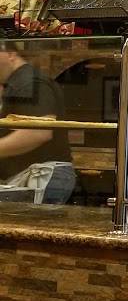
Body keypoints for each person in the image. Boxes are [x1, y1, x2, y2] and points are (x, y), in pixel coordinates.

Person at [0, 49, 75, 204]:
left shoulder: (28, 81)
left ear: (10, 54)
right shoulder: (19, 82)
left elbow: (38, 131)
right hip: (35, 175)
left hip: (41, 174)